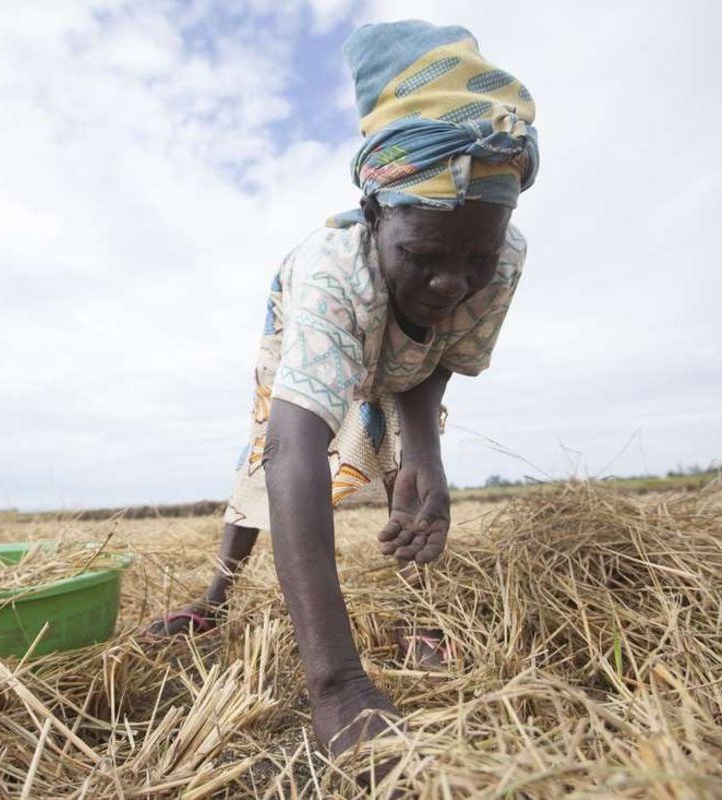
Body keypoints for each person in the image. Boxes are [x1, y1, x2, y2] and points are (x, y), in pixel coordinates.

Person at [148, 20, 539, 756]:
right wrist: (338, 685)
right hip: (314, 324)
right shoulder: (333, 277)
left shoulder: (501, 256)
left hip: (400, 348)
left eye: (474, 258)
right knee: (266, 453)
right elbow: (295, 451)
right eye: (424, 254)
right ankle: (214, 598)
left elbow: (436, 353)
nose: (454, 281)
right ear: (373, 215)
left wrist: (423, 446)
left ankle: (417, 608)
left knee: (407, 469)